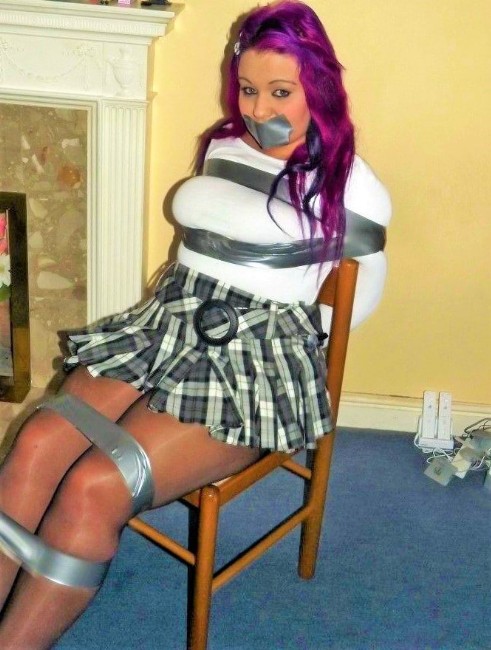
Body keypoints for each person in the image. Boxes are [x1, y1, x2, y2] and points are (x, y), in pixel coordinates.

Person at [0, 1, 391, 647]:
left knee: (96, 484)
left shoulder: (351, 184)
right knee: (40, 441)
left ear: (317, 87)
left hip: (255, 359)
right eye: (247, 89)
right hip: (168, 323)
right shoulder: (224, 143)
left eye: (281, 92)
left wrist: (284, 348)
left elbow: (355, 302)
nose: (260, 109)